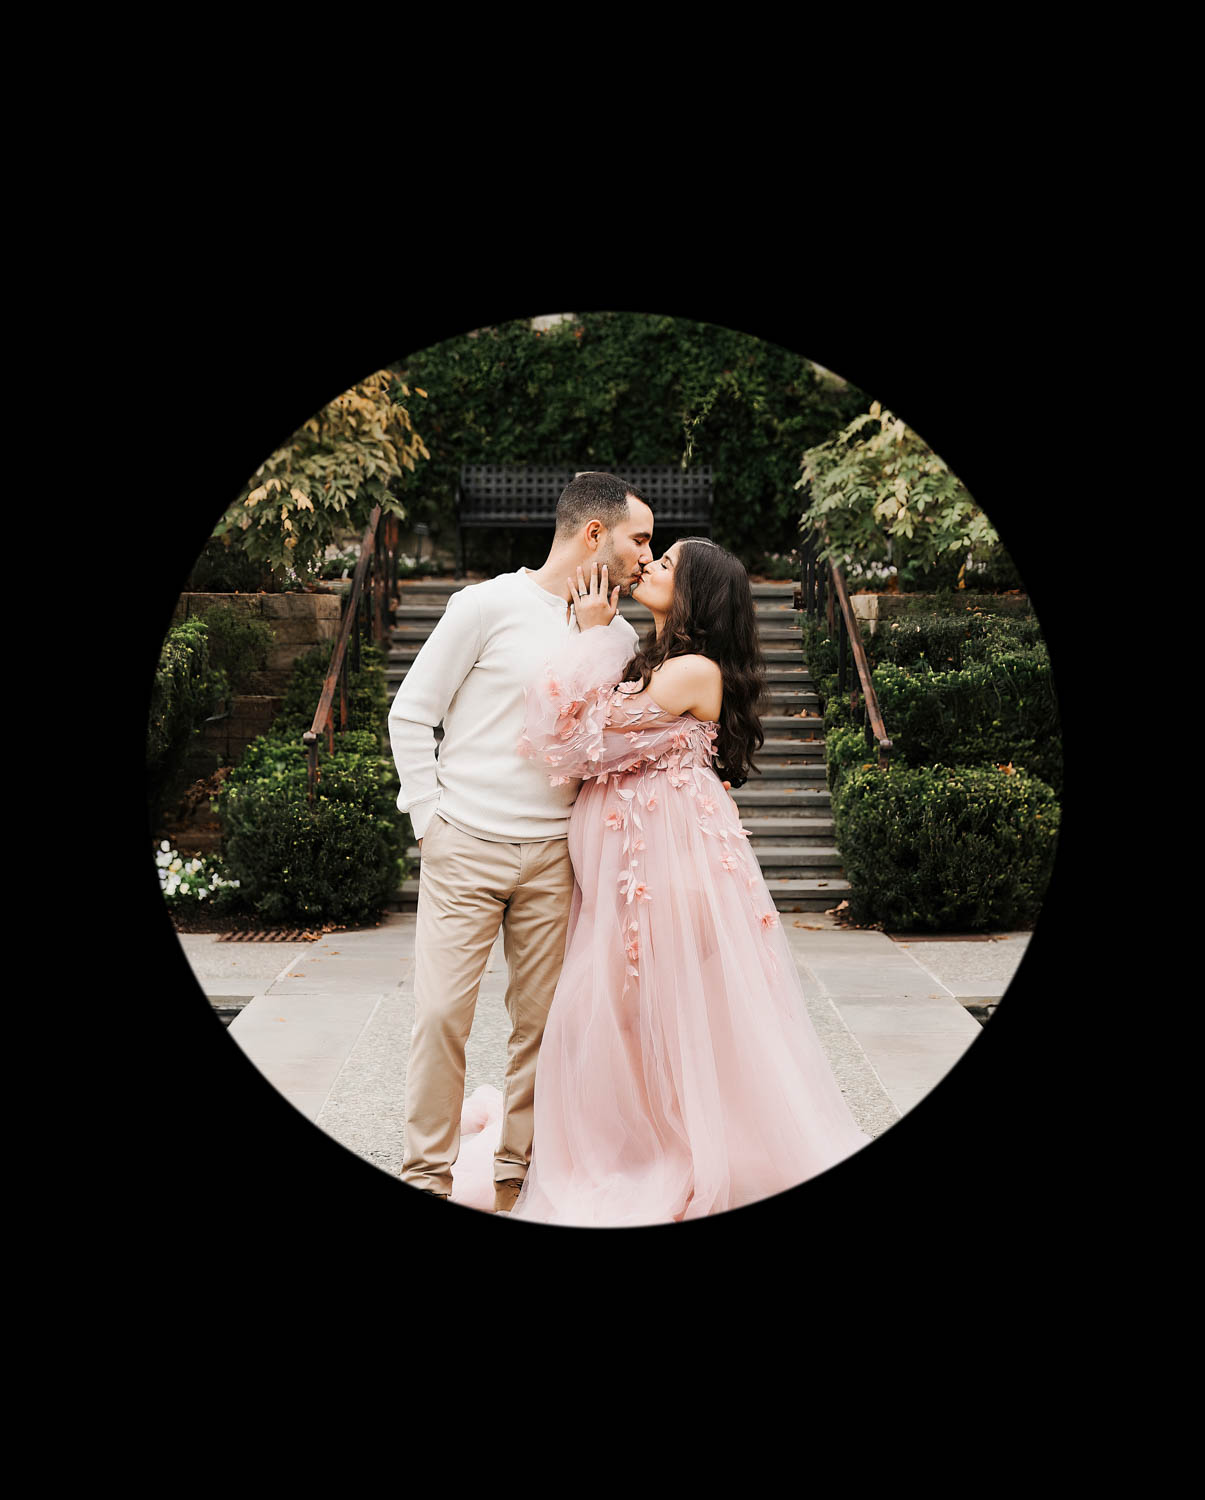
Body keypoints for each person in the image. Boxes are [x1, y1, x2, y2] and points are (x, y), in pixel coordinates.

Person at [455, 539, 873, 1225]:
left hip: (670, 870)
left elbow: (572, 737)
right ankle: (637, 1145)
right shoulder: (650, 663)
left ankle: (664, 1154)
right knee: (621, 1019)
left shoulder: (692, 671)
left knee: (629, 1015)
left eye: (668, 564)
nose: (650, 564)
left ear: (695, 595)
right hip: (626, 871)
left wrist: (591, 633)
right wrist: (600, 641)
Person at [387, 471, 655, 1211]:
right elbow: (411, 714)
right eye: (639, 539)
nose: (645, 555)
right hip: (464, 845)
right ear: (594, 535)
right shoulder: (485, 606)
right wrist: (429, 820)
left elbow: (603, 744)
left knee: (540, 1028)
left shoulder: (621, 634)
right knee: (442, 1015)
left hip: (555, 857)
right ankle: (425, 1178)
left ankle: (515, 1179)